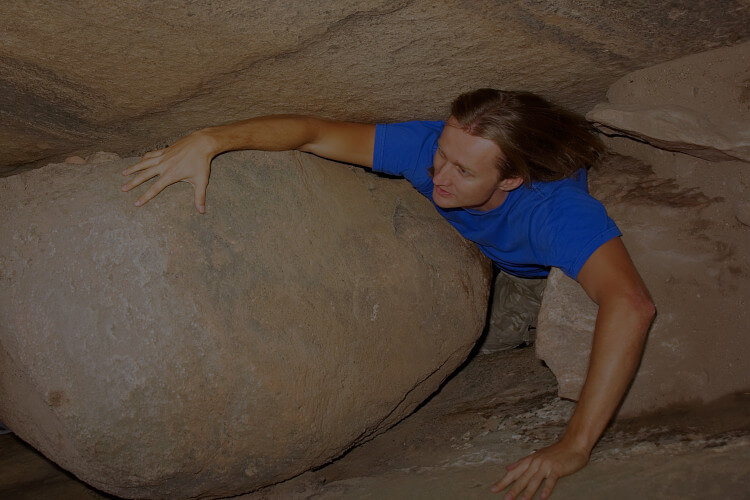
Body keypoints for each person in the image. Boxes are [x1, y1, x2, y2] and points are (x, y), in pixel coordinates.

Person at [121, 89, 655, 500]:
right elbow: (310, 131)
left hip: (535, 274)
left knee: (501, 338)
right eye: (442, 155)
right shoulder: (431, 150)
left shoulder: (558, 215)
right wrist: (212, 139)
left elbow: (630, 304)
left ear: (512, 179)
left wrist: (574, 446)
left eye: (462, 171)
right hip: (476, 253)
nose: (437, 175)